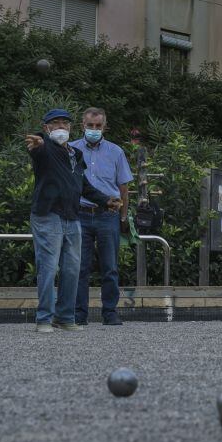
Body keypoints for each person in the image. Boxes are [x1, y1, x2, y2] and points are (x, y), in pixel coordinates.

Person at [25, 109, 122, 334]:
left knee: (72, 269)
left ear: (70, 127)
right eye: (55, 124)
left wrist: (106, 201)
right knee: (48, 268)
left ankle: (65, 317)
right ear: (47, 127)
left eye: (64, 124)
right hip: (47, 215)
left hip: (71, 216)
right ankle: (44, 319)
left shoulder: (75, 154)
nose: (60, 127)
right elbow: (39, 148)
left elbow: (84, 186)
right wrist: (39, 142)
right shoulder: (45, 148)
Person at [70, 107, 133, 326]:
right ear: (82, 126)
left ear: (104, 126)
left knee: (110, 266)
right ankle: (79, 314)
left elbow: (123, 188)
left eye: (98, 126)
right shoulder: (71, 149)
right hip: (81, 213)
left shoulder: (116, 152)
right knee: (79, 267)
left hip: (109, 215)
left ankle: (110, 312)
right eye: (90, 126)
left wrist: (124, 218)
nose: (94, 129)